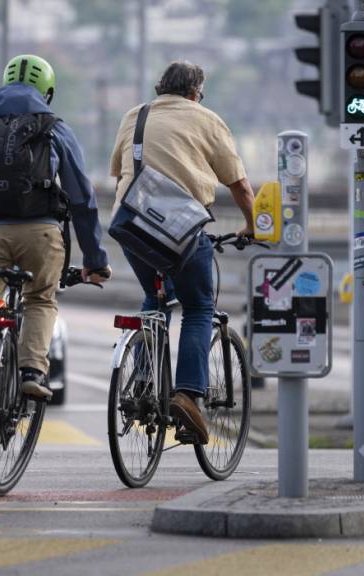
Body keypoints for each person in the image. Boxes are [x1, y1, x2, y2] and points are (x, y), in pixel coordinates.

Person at [0, 54, 111, 469]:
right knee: (40, 301)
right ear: (47, 93)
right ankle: (32, 372)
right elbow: (83, 199)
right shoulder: (57, 129)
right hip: (41, 233)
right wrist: (94, 258)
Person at [108, 61, 256, 445]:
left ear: (161, 89)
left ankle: (142, 381)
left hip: (131, 223)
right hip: (181, 230)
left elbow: (116, 171)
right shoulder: (207, 120)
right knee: (198, 305)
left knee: (153, 296)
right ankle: (187, 395)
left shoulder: (134, 116)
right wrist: (253, 224)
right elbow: (238, 185)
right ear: (195, 93)